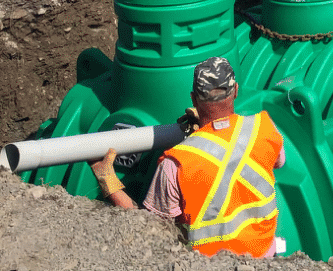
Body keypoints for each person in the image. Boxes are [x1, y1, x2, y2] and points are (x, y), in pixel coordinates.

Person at [91, 56, 285, 258]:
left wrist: (108, 180)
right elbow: (277, 161)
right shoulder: (263, 128)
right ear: (236, 90)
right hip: (266, 260)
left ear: (193, 99)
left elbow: (148, 230)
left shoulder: (175, 163)